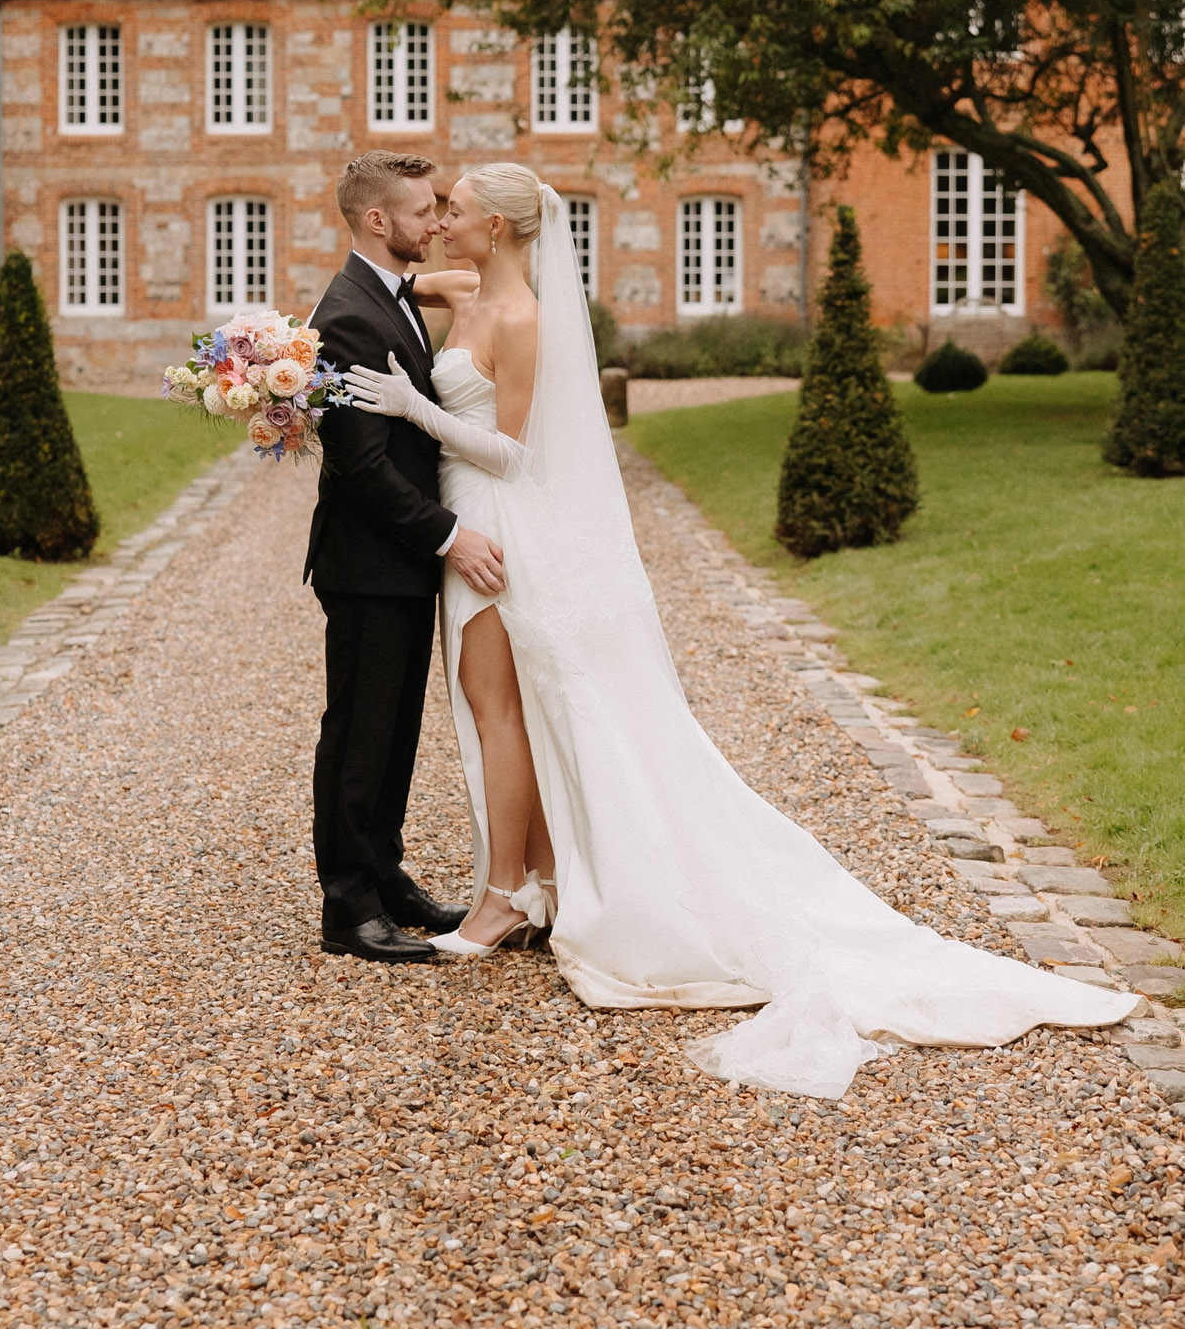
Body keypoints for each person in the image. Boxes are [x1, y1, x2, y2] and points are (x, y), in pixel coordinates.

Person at [345, 162, 1139, 1099]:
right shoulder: (475, 287)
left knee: (497, 711)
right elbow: (407, 282)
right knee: (512, 709)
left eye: (459, 212)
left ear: (505, 230)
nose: (442, 222)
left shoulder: (518, 318)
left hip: (497, 521)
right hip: (472, 516)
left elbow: (513, 452)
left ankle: (499, 899)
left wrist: (411, 407)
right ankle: (543, 880)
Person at [305, 151, 506, 965]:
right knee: (358, 731)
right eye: (425, 211)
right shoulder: (349, 313)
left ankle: (386, 879)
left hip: (397, 563)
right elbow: (361, 466)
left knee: (393, 731)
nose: (437, 222)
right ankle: (349, 906)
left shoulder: (389, 294)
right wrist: (451, 534)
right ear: (379, 221)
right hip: (367, 563)